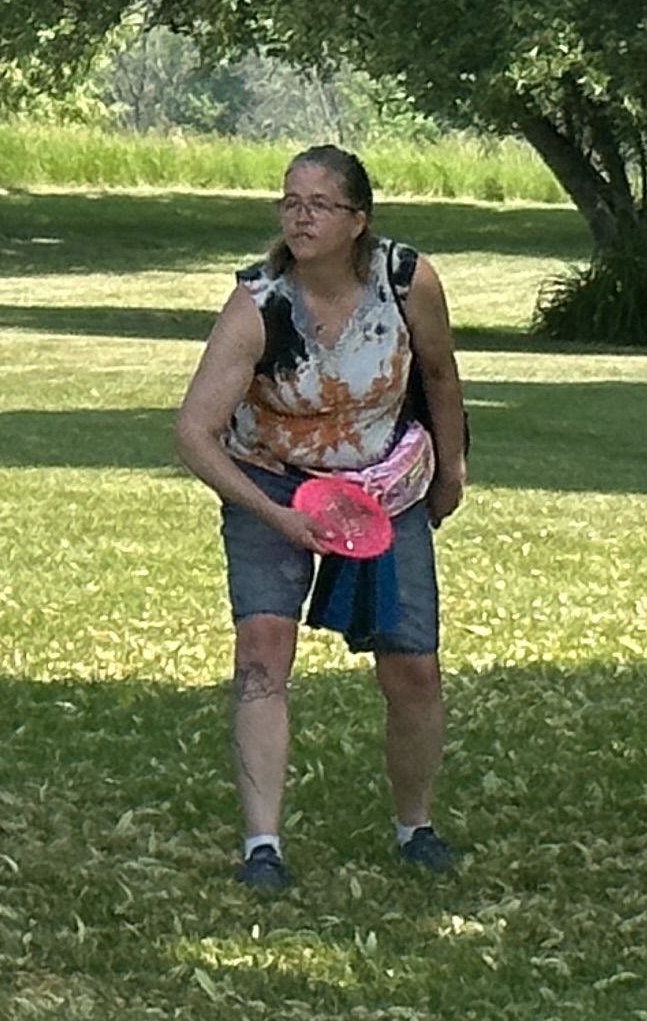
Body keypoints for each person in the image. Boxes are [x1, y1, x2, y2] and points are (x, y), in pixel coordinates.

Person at [173, 145, 471, 892]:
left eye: (319, 205)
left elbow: (438, 371)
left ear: (358, 221)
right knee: (263, 650)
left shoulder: (406, 283)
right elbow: (193, 433)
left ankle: (417, 827)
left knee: (412, 665)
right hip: (271, 481)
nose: (300, 217)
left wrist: (452, 466)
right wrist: (273, 515)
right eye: (289, 203)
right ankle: (262, 846)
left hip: (382, 484)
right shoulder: (259, 303)